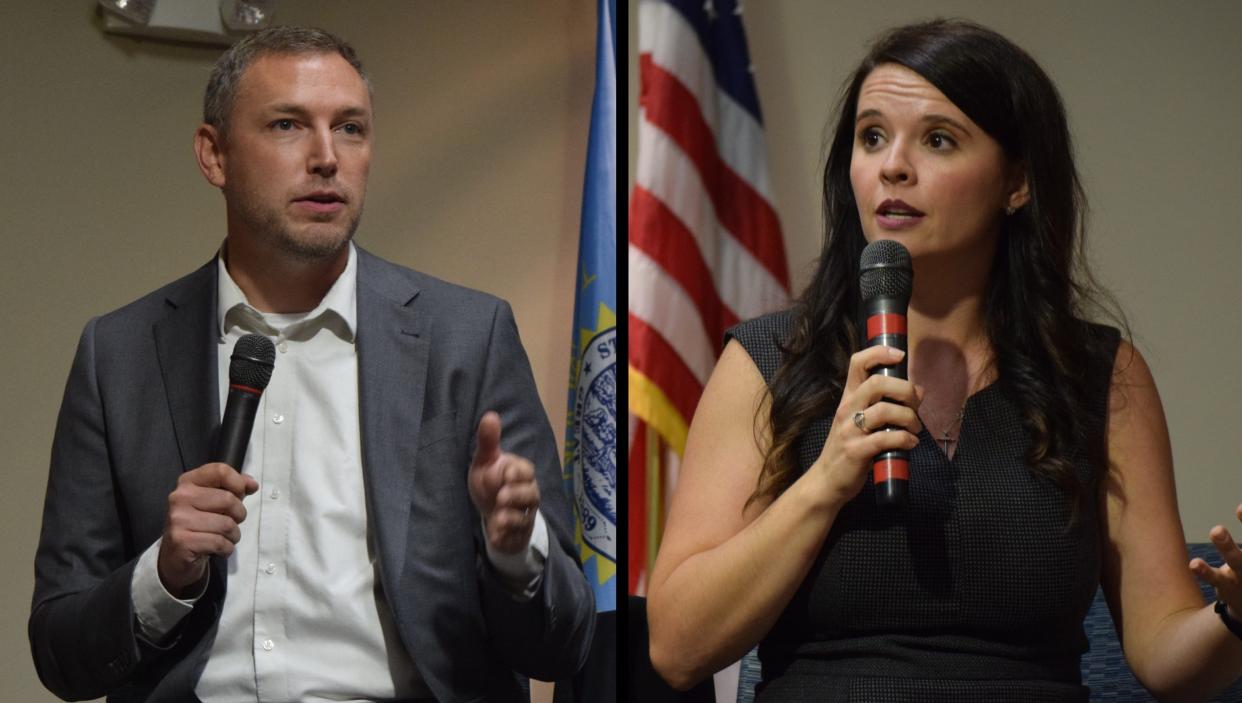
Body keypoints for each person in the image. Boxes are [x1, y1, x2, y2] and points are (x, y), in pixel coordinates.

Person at [646, 18, 1242, 701]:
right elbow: (676, 647)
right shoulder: (769, 362)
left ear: (1016, 181)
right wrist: (824, 482)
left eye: (937, 139)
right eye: (872, 137)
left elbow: (1167, 654)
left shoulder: (1100, 376)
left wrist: (1234, 618)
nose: (893, 165)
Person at [29, 26, 593, 702]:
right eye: (288, 125)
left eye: (351, 128)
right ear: (214, 155)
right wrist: (165, 574)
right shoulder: (118, 354)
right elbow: (60, 653)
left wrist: (514, 555)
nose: (327, 157)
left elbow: (566, 642)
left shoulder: (467, 338)